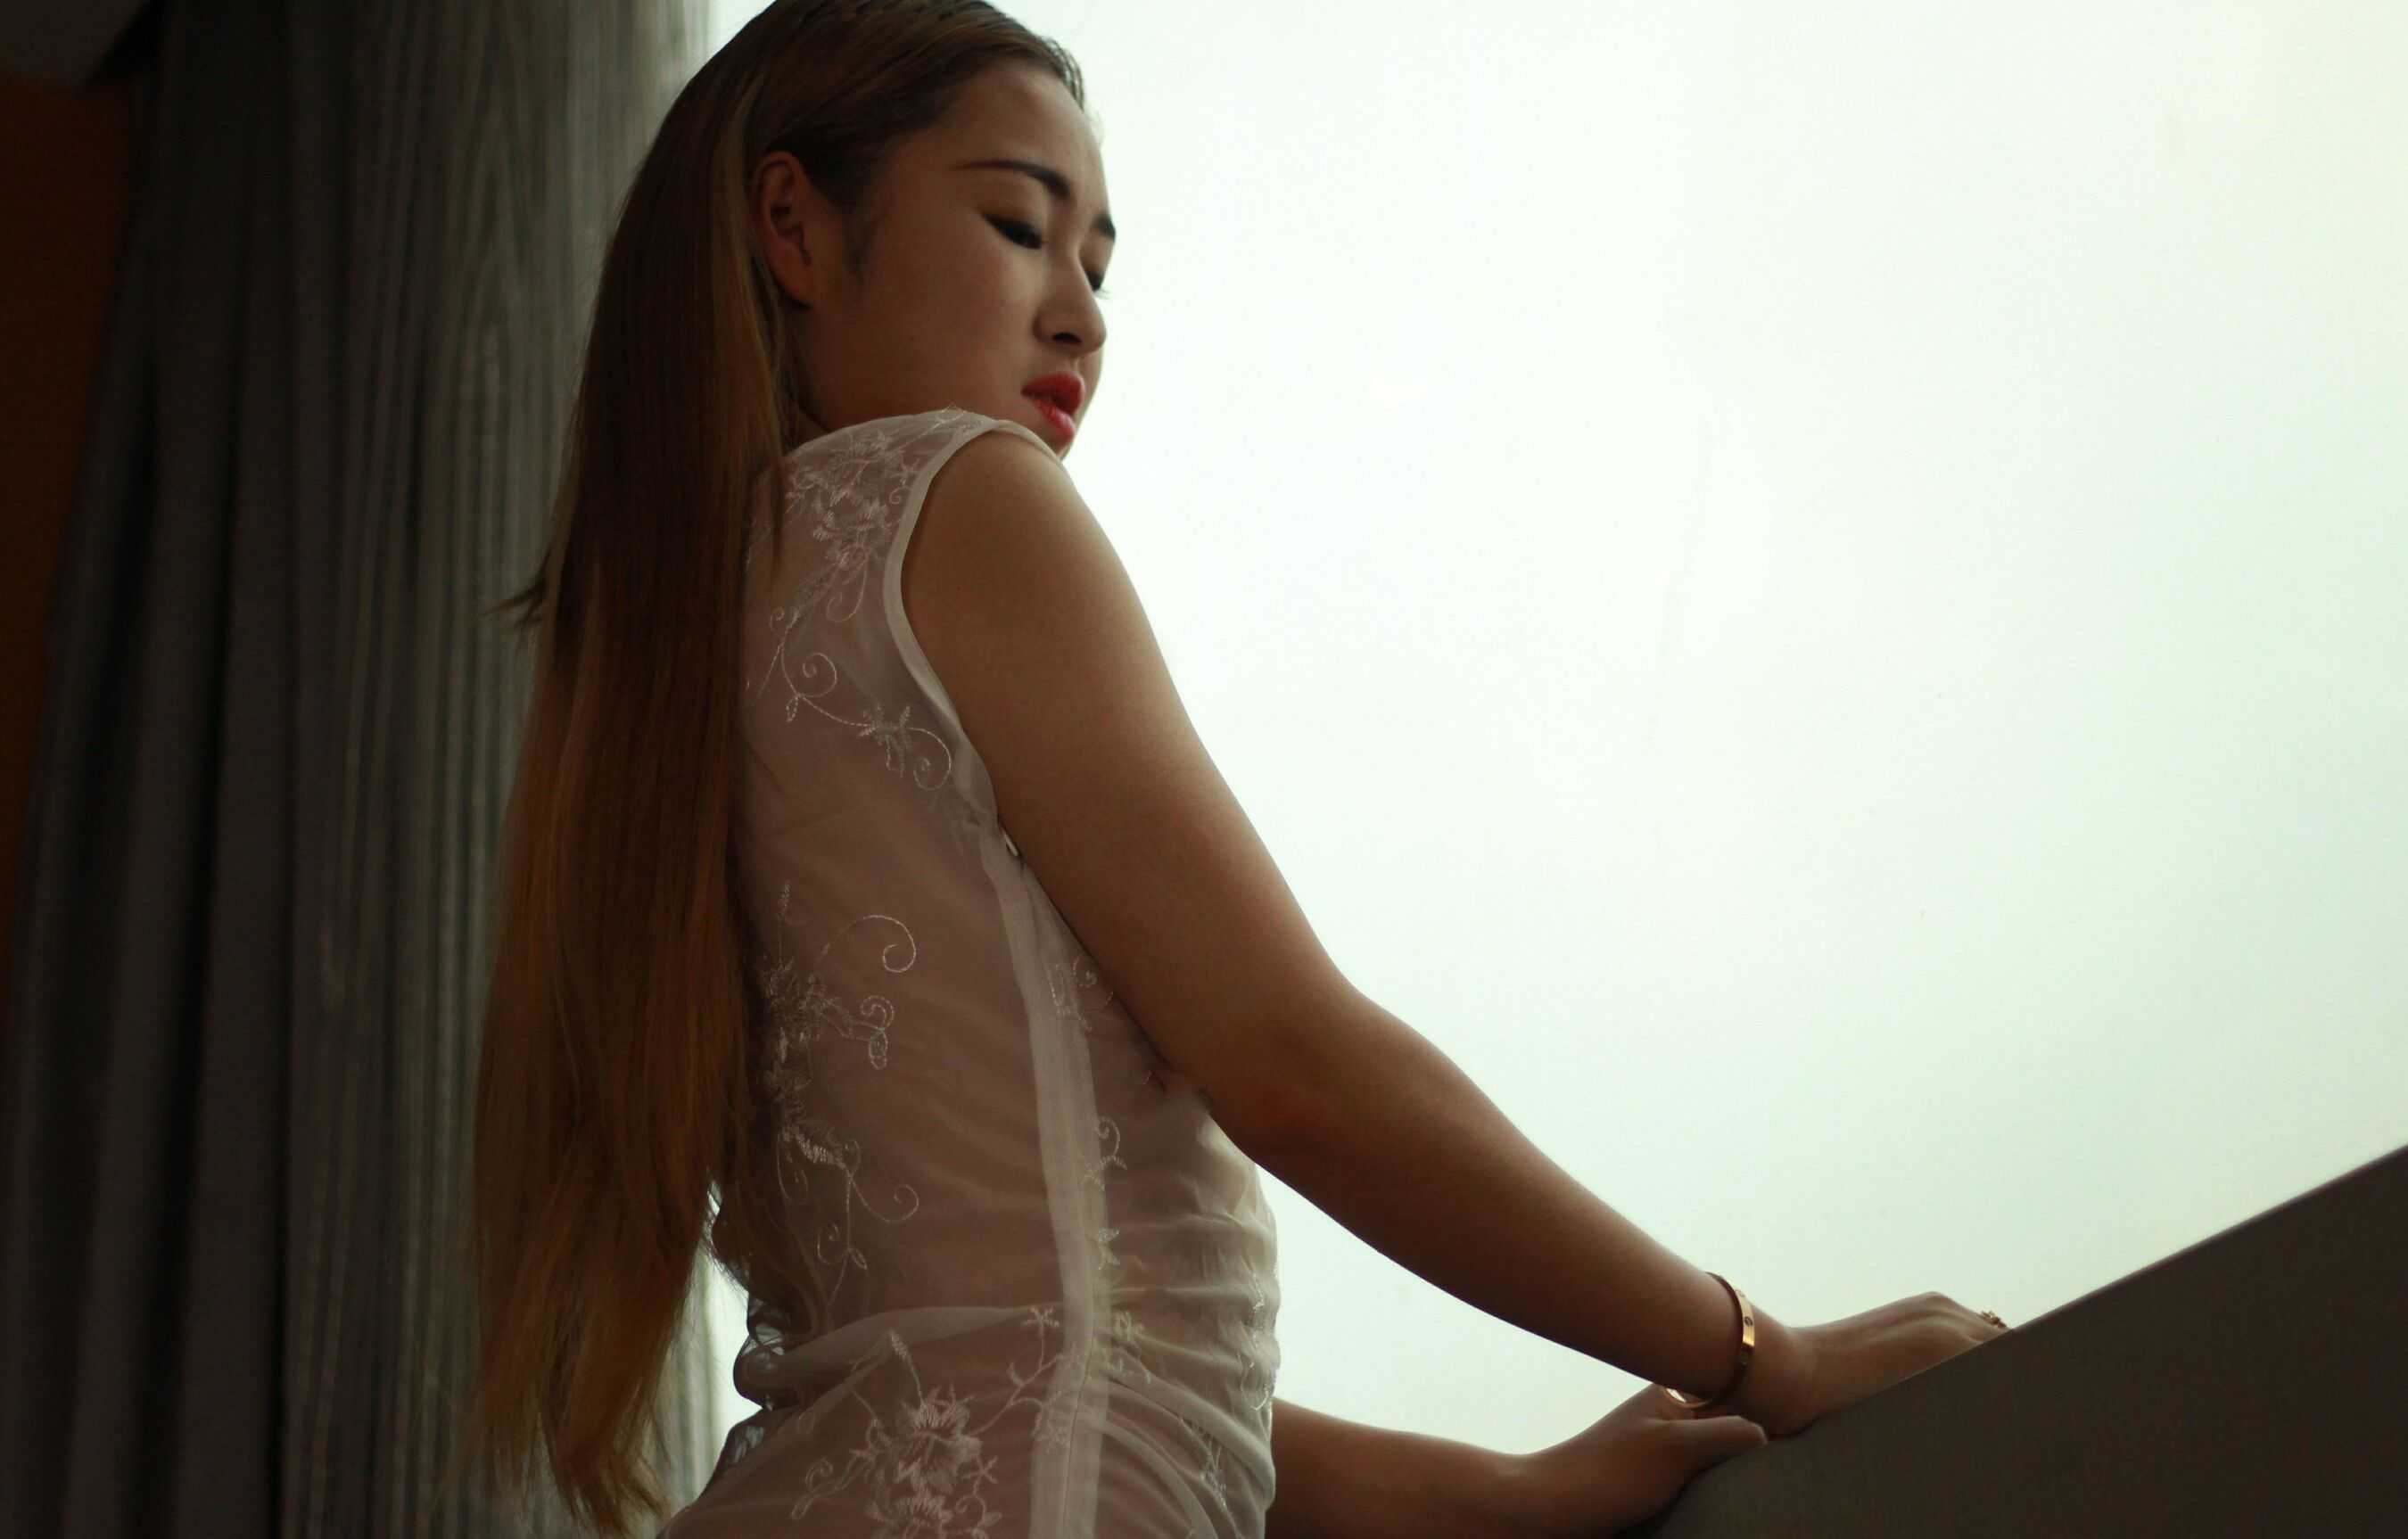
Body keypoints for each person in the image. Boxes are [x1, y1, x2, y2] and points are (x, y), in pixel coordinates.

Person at [463, 4, 2010, 1536]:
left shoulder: (669, 663)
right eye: (1020, 225)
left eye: (1099, 267)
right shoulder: (961, 496)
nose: (1083, 317)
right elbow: (1296, 1071)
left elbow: (1023, 1339)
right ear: (795, 227)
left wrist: (1497, 1490)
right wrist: (1765, 1354)